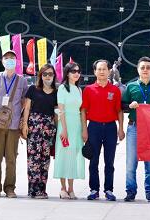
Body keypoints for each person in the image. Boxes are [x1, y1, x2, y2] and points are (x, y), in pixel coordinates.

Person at [81, 59, 124, 201]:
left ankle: (109, 190)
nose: (101, 71)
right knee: (93, 161)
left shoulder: (115, 90)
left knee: (109, 161)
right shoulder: (88, 89)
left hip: (111, 127)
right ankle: (94, 189)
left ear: (109, 71)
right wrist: (84, 130)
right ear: (95, 72)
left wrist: (121, 129)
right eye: (99, 69)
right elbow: (83, 111)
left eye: (104, 69)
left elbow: (119, 111)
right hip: (93, 127)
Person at [0, 49, 28, 198]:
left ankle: (10, 188)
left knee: (11, 158)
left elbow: (24, 101)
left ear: (16, 61)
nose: (9, 60)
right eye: (6, 58)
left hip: (13, 125)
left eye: (12, 58)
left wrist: (16, 116)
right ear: (2, 61)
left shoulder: (22, 80)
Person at [122, 56, 150, 202]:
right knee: (131, 163)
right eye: (142, 67)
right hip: (134, 127)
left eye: (148, 67)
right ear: (138, 70)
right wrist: (129, 106)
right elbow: (122, 105)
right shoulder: (131, 86)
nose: (145, 70)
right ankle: (130, 192)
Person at [22, 64, 58, 199]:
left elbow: (56, 112)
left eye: (50, 74)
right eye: (45, 74)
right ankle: (33, 189)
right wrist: (25, 125)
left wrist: (57, 127)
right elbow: (27, 108)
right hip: (34, 125)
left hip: (49, 128)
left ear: (54, 76)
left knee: (45, 159)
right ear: (40, 75)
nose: (48, 76)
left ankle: (42, 189)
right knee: (33, 158)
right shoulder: (33, 89)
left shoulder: (56, 91)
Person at [53, 61, 84, 200]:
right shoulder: (62, 89)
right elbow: (61, 110)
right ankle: (63, 188)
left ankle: (71, 188)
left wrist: (83, 128)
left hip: (76, 125)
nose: (76, 74)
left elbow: (81, 110)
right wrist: (64, 129)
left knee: (74, 155)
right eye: (73, 71)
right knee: (63, 155)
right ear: (67, 73)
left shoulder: (79, 89)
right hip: (65, 124)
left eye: (78, 71)